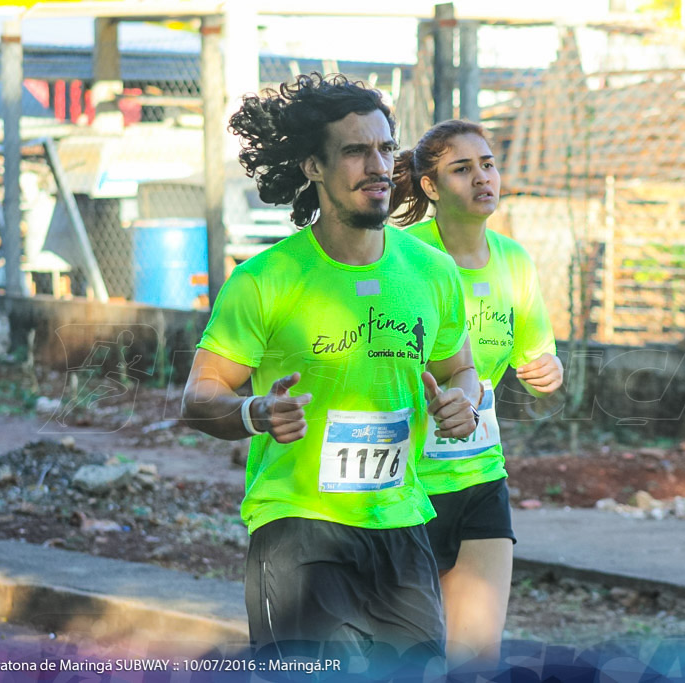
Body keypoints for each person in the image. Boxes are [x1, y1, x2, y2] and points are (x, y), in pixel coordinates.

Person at [180, 75, 482, 669]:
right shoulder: (266, 280)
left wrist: (461, 401)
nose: (377, 166)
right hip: (299, 529)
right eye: (355, 151)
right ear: (313, 165)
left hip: (400, 524)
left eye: (386, 149)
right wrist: (253, 411)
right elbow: (199, 395)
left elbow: (461, 368)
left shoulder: (431, 271)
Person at [391, 119, 563, 665]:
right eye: (462, 169)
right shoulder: (401, 258)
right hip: (406, 483)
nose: (482, 177)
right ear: (431, 187)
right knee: (412, 659)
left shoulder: (514, 261)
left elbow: (536, 353)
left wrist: (549, 369)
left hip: (480, 473)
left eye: (487, 164)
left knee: (474, 661)